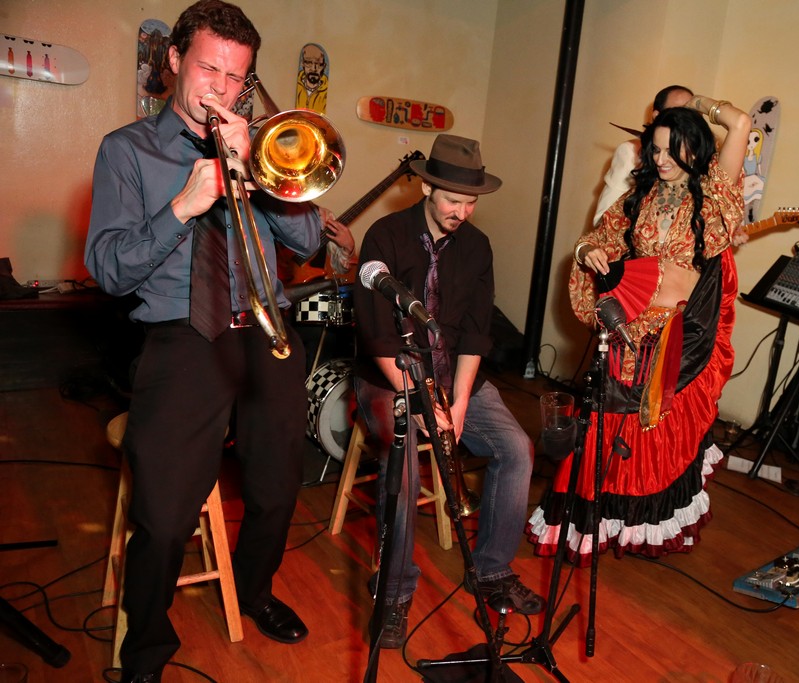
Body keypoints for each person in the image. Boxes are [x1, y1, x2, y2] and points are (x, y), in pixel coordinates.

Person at [85, 2, 318, 679]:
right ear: (175, 61)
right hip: (182, 334)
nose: (221, 88)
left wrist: (258, 173)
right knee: (163, 516)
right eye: (208, 68)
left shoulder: (260, 145)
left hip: (266, 327)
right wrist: (183, 205)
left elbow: (307, 242)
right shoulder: (127, 150)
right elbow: (109, 269)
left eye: (235, 76)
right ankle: (146, 644)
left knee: (277, 488)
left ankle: (254, 589)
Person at [527, 94, 751, 563]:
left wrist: (699, 104)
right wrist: (588, 252)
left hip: (677, 334)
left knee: (655, 428)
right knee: (606, 423)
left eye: (672, 149)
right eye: (656, 150)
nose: (661, 159)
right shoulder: (639, 198)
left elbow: (741, 122)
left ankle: (641, 527)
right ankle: (595, 525)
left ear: (695, 147)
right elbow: (595, 239)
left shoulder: (715, 194)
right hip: (629, 327)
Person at [353, 134, 544, 649]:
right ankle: (393, 592)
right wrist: (419, 402)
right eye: (453, 201)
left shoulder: (477, 247)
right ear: (427, 188)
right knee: (403, 466)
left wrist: (457, 405)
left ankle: (492, 571)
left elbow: (477, 334)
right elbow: (377, 336)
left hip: (452, 377)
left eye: (471, 202)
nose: (462, 212)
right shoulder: (385, 236)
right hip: (390, 375)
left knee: (517, 449)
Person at [592, 85, 694, 226]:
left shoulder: (701, 157)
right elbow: (603, 220)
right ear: (657, 116)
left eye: (693, 114)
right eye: (677, 113)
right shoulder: (632, 152)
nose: (685, 122)